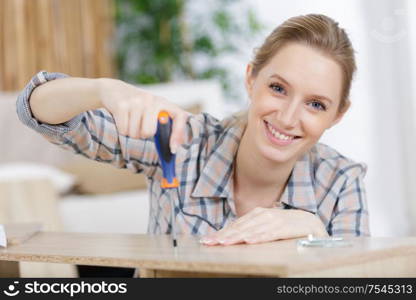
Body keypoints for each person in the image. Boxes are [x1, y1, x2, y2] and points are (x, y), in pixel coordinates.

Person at [16, 14, 369, 248]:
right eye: (278, 88)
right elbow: (38, 112)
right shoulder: (181, 143)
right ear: (251, 78)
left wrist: (316, 233)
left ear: (338, 115)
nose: (289, 117)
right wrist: (102, 89)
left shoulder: (340, 181)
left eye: (316, 104)